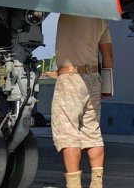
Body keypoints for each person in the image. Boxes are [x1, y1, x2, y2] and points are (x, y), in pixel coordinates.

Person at [51, 14, 114, 188]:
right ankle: (97, 183)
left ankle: (74, 185)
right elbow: (108, 55)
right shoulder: (101, 19)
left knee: (68, 134)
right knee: (93, 133)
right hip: (93, 78)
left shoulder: (68, 10)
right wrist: (106, 86)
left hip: (70, 77)